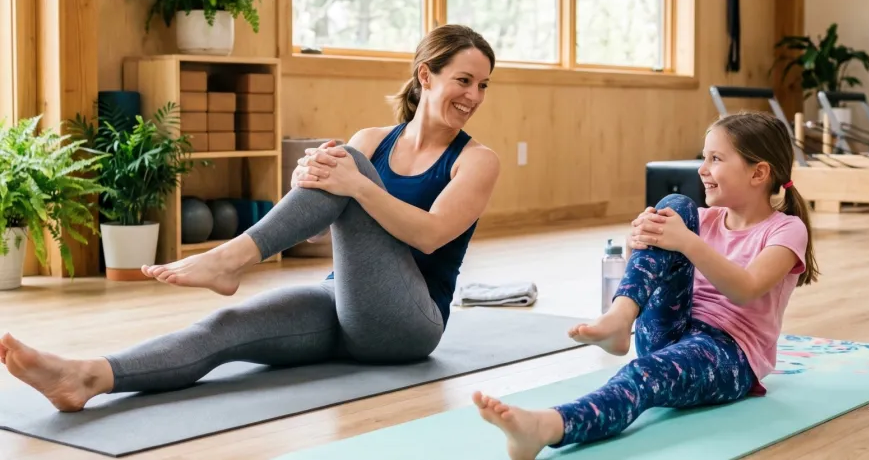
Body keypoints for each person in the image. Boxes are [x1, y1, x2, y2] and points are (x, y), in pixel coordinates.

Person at [0, 24, 501, 413]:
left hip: (408, 324)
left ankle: (229, 258)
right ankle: (86, 377)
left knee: (350, 169)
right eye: (463, 80)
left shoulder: (476, 160)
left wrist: (353, 184)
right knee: (226, 325)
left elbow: (432, 236)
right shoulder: (371, 139)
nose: (474, 96)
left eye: (482, 85)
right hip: (339, 299)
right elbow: (318, 210)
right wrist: (310, 177)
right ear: (425, 75)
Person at [472, 111, 820, 460]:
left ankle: (548, 426)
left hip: (729, 356)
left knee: (643, 375)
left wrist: (685, 242)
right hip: (668, 329)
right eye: (704, 157)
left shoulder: (785, 229)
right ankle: (620, 318)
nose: (702, 168)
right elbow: (647, 263)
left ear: (758, 172)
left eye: (715, 159)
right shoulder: (701, 218)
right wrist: (639, 236)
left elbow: (745, 288)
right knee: (675, 205)